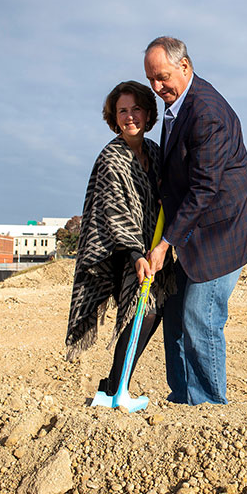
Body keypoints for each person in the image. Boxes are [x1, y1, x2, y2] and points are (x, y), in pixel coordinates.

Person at [144, 36, 247, 405]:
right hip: (197, 226)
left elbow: (204, 189)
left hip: (224, 225)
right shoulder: (177, 105)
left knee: (201, 314)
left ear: (185, 66)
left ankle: (208, 405)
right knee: (176, 313)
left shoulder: (206, 111)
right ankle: (183, 398)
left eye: (163, 77)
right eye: (151, 79)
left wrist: (165, 244)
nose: (157, 86)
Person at [65, 80, 174, 402]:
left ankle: (114, 384)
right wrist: (135, 255)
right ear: (114, 117)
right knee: (144, 309)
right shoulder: (112, 157)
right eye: (122, 111)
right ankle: (116, 388)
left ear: (148, 113)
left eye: (136, 109)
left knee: (148, 312)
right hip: (117, 249)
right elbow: (113, 212)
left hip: (150, 248)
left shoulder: (154, 151)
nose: (130, 117)